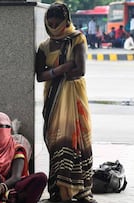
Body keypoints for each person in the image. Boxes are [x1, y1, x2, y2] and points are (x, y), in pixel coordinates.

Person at [34, 2, 96, 203]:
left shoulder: (77, 39)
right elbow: (40, 76)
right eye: (50, 24)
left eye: (57, 24)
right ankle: (58, 193)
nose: (54, 28)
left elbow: (80, 70)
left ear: (66, 21)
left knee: (77, 141)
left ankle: (81, 191)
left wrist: (57, 71)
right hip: (54, 99)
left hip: (74, 98)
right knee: (56, 143)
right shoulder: (44, 46)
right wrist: (63, 68)